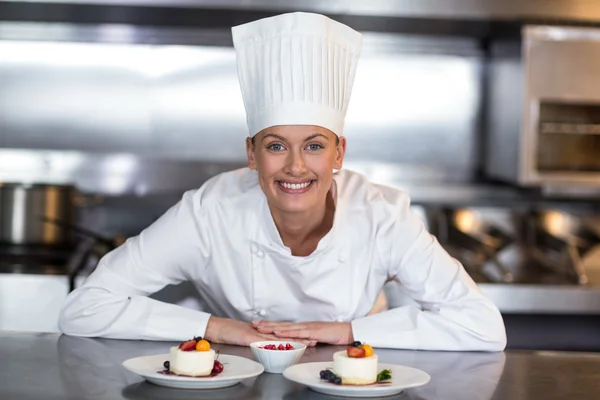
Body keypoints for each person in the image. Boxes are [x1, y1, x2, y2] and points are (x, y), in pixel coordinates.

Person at [58, 12, 506, 351]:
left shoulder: (381, 215)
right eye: (276, 146)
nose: (295, 166)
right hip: (240, 378)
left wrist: (345, 331)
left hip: (357, 376)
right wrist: (219, 328)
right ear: (251, 154)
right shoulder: (209, 213)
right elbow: (85, 309)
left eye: (314, 146)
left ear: (339, 154)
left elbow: (482, 327)